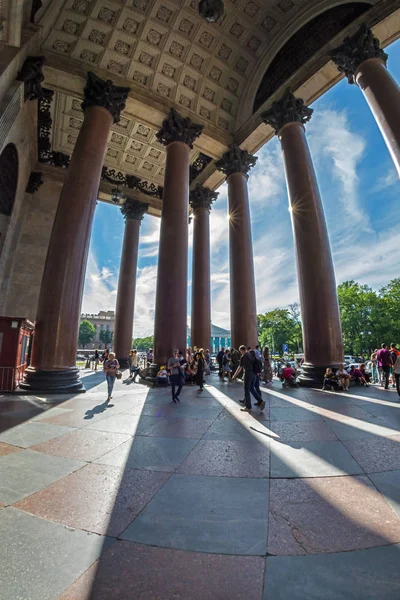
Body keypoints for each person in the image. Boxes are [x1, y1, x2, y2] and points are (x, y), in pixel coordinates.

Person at [232, 345, 265, 412]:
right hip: (254, 373)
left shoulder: (243, 356)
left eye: (240, 351)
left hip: (248, 373)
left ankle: (248, 407)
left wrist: (234, 375)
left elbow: (240, 367)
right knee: (252, 389)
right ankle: (261, 401)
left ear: (241, 350)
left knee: (246, 390)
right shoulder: (250, 354)